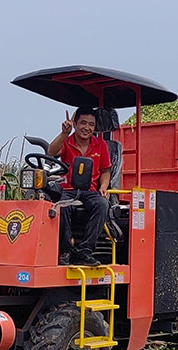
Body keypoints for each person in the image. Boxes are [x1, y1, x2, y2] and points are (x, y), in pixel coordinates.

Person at [47, 107, 111, 266]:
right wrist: (63, 133)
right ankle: (66, 250)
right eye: (83, 123)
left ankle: (85, 251)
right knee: (61, 206)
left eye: (91, 124)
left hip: (90, 191)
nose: (87, 128)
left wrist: (104, 186)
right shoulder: (67, 142)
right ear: (75, 124)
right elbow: (51, 151)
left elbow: (106, 171)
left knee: (103, 204)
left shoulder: (100, 144)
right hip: (69, 190)